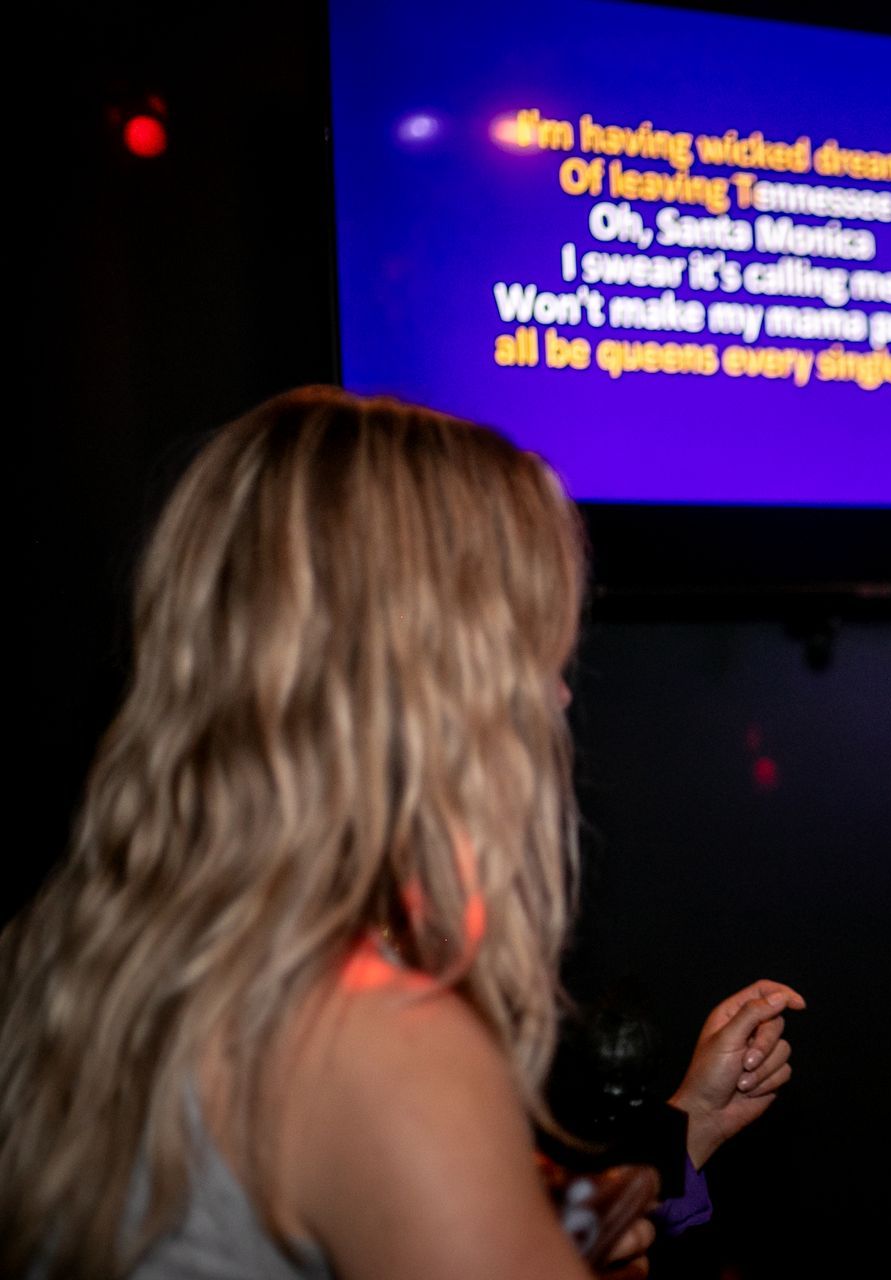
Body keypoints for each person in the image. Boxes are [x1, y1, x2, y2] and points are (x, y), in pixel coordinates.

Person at [0, 388, 800, 1279]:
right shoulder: (381, 1040)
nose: (557, 699)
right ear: (427, 685)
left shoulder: (61, 962)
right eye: (531, 654)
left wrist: (690, 1123)